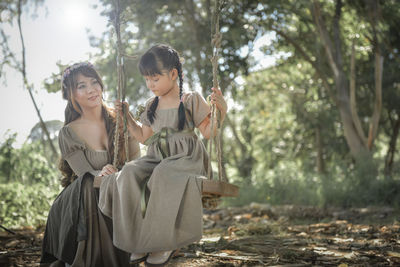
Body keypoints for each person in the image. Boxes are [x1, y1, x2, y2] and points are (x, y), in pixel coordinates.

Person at [97, 44, 228, 266]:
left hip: (186, 158)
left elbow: (208, 132)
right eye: (147, 79)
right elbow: (144, 137)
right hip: (156, 156)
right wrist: (127, 117)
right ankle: (138, 240)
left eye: (155, 79)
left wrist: (221, 110)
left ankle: (164, 241)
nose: (150, 85)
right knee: (128, 172)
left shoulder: (190, 99)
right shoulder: (152, 105)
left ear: (173, 74)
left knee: (162, 174)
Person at [40, 62, 140, 267]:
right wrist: (102, 173)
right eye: (82, 86)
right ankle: (89, 259)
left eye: (94, 82)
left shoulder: (120, 119)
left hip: (117, 191)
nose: (91, 89)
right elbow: (84, 174)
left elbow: (136, 162)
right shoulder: (69, 132)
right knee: (90, 184)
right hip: (80, 200)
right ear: (71, 95)